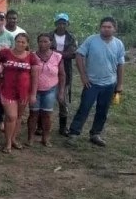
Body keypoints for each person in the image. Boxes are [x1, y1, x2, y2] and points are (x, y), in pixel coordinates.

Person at [68, 17, 125, 147]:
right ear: (100, 27)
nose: (106, 29)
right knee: (84, 108)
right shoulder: (91, 40)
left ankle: (95, 134)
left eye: (109, 27)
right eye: (103, 26)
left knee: (103, 110)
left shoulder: (118, 44)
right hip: (92, 83)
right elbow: (79, 55)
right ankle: (74, 133)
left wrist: (120, 84)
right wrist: (83, 76)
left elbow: (121, 64)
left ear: (114, 29)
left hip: (110, 84)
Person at [0, 33, 39, 154]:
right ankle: (8, 142)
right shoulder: (5, 53)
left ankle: (13, 138)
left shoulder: (31, 57)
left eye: (23, 42)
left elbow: (35, 77)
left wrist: (33, 94)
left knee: (19, 117)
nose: (20, 44)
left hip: (23, 92)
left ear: (27, 44)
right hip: (7, 90)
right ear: (14, 41)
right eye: (18, 41)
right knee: (11, 116)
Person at [27, 34, 65, 147]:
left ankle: (46, 138)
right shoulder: (32, 56)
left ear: (51, 42)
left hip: (50, 90)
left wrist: (61, 91)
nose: (42, 44)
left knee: (47, 115)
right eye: (40, 41)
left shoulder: (58, 57)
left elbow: (62, 74)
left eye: (45, 41)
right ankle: (30, 138)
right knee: (33, 114)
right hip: (35, 90)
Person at [48, 13, 78, 136]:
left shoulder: (71, 37)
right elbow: (45, 50)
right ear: (55, 24)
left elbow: (73, 54)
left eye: (64, 23)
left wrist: (55, 53)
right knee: (46, 97)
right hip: (49, 70)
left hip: (65, 71)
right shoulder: (49, 36)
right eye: (59, 23)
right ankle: (40, 125)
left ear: (67, 24)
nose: (61, 25)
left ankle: (63, 127)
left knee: (62, 99)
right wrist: (63, 54)